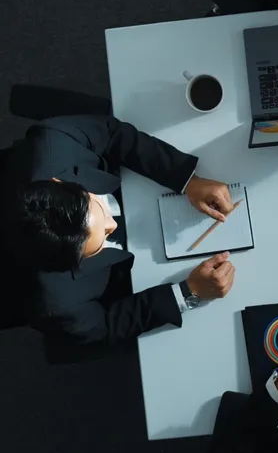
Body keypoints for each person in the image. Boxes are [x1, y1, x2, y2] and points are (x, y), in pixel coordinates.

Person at [1, 115, 238, 345]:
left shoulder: (54, 140)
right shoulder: (55, 305)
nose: (112, 225)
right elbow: (104, 327)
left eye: (98, 209)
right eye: (101, 238)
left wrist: (188, 180)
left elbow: (112, 133)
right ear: (69, 264)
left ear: (59, 182)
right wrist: (189, 292)